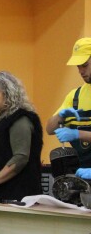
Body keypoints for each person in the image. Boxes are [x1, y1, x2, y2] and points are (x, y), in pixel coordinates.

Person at [0, 71, 43, 202]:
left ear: (9, 94)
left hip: (18, 196)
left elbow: (20, 158)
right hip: (2, 194)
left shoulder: (20, 119)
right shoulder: (2, 118)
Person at [46, 38, 91, 179]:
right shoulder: (75, 96)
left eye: (85, 65)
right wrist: (60, 116)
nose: (81, 71)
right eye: (78, 66)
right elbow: (49, 129)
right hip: (82, 178)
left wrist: (77, 134)